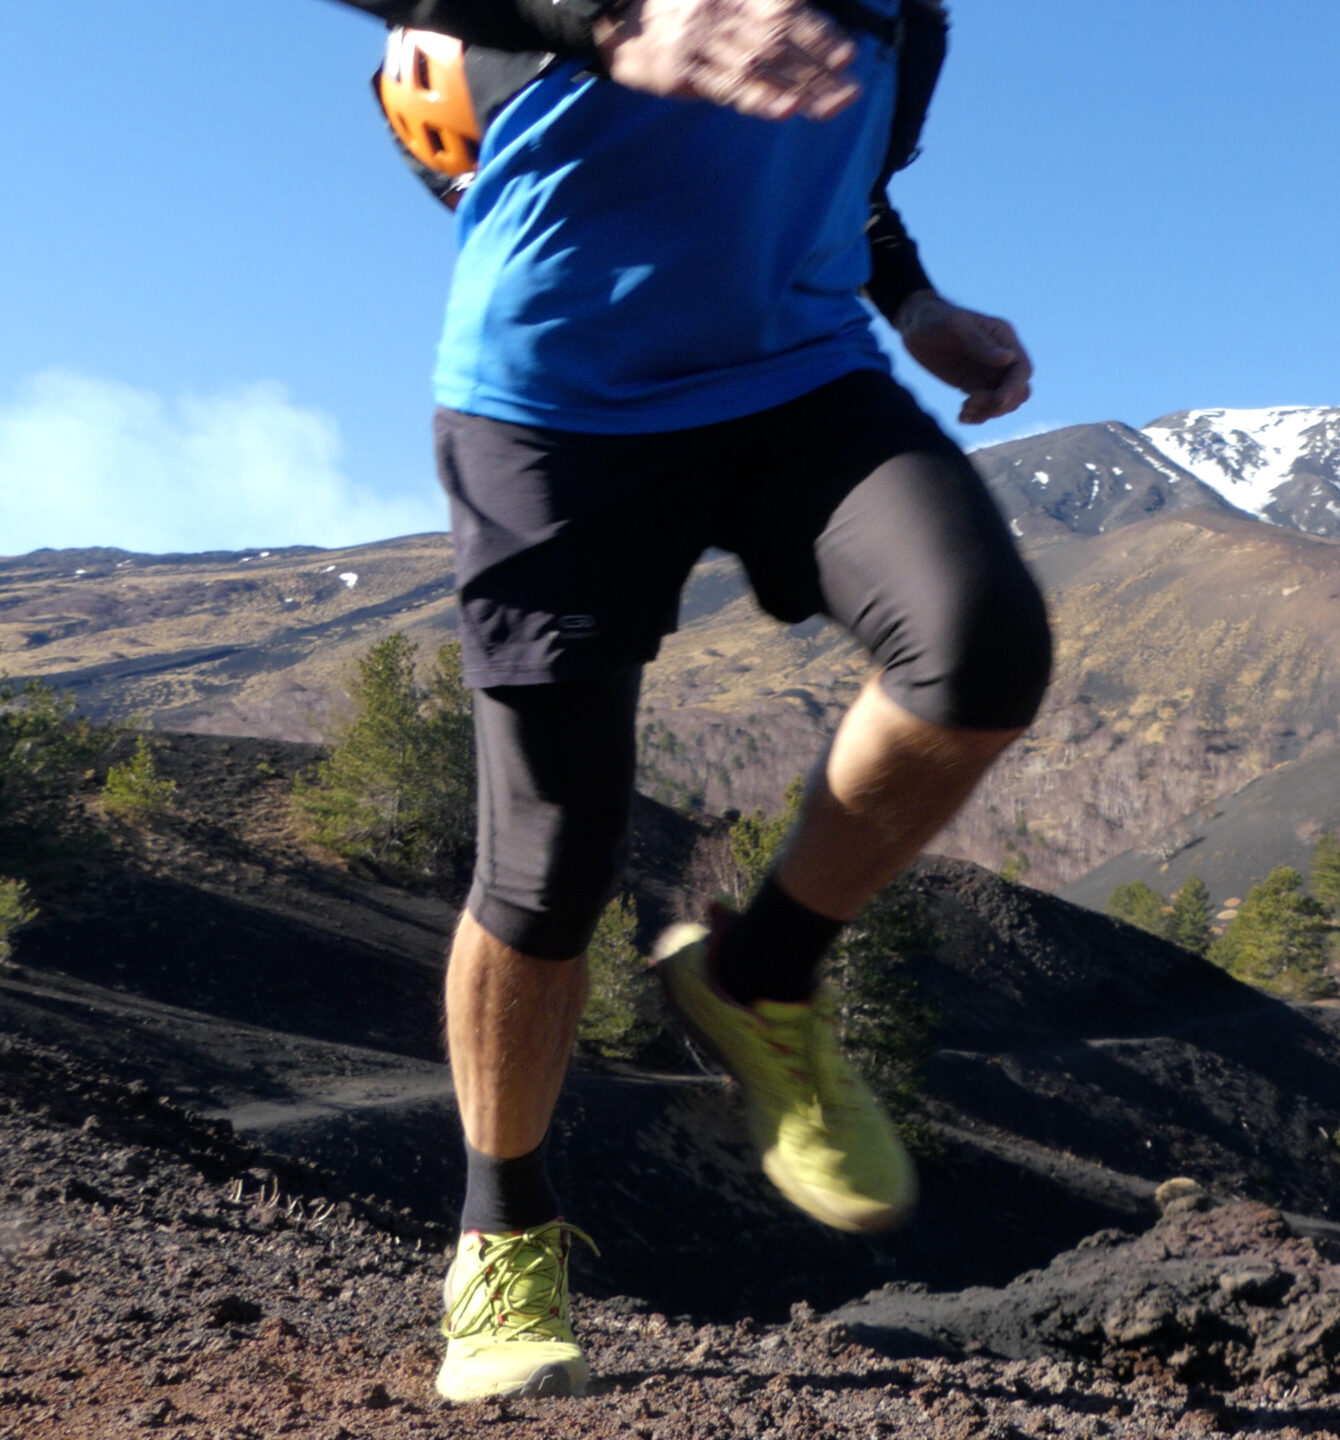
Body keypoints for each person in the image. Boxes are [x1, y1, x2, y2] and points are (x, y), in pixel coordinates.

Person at [338, 0, 1051, 1403]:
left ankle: (759, 975)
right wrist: (606, 24)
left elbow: (857, 185)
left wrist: (915, 305)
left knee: (977, 651)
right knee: (549, 868)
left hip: (801, 384)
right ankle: (503, 1238)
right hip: (551, 408)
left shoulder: (911, 20)